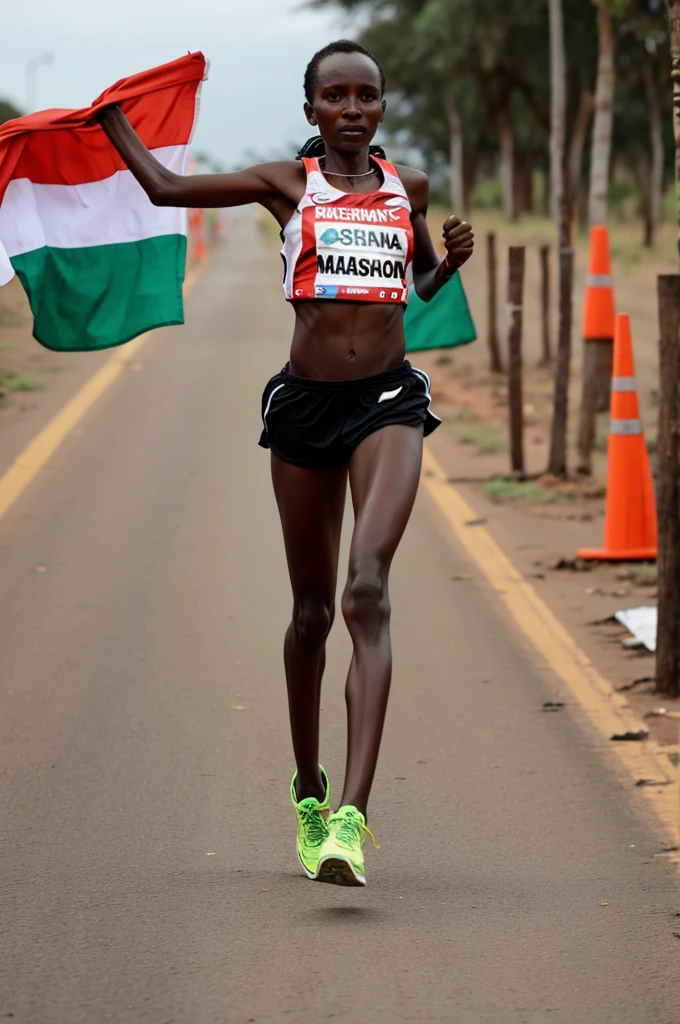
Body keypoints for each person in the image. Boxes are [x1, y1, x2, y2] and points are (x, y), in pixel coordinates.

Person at [99, 39, 474, 887]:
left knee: (366, 590)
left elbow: (415, 284)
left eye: (366, 96)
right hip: (304, 408)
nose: (352, 109)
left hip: (388, 401)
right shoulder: (283, 183)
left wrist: (448, 259)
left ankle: (352, 818)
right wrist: (110, 120)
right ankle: (308, 786)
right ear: (311, 111)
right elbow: (165, 188)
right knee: (311, 613)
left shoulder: (406, 186)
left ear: (382, 108)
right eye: (335, 97)